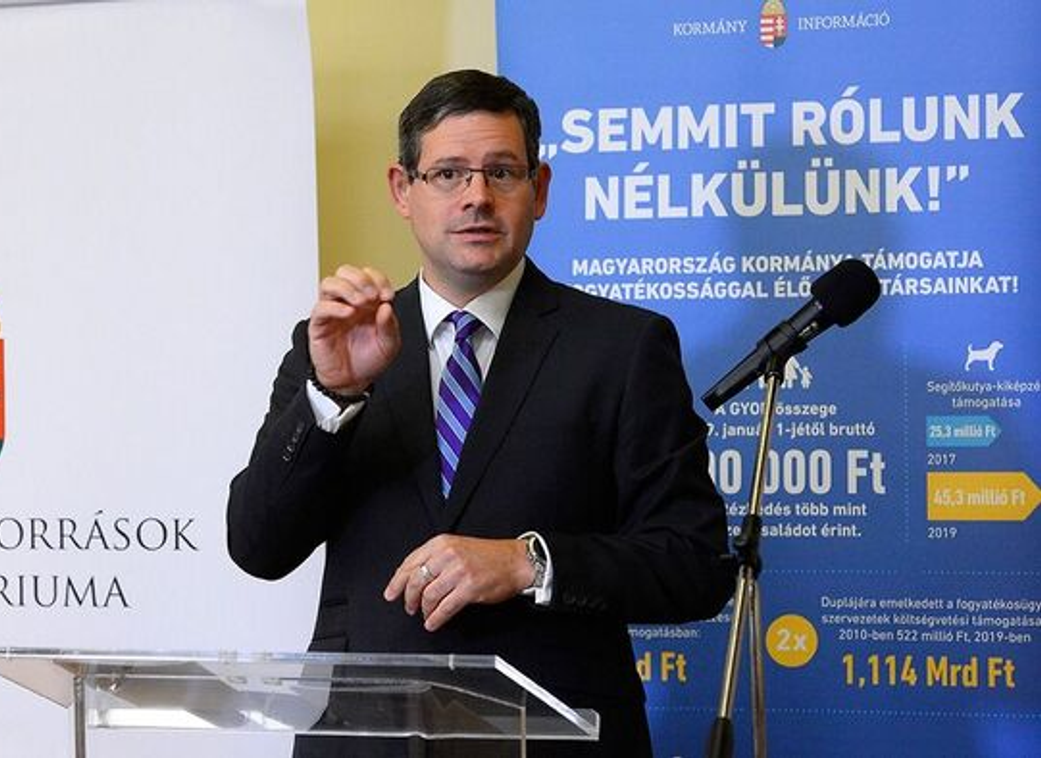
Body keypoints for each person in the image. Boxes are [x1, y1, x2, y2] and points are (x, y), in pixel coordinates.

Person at [227, 69, 733, 757]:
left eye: (501, 172)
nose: (476, 197)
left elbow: (693, 564)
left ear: (539, 189)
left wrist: (529, 562)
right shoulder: (334, 342)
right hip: (365, 737)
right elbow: (257, 546)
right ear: (402, 190)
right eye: (448, 174)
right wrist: (334, 396)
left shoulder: (622, 347)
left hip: (553, 735)